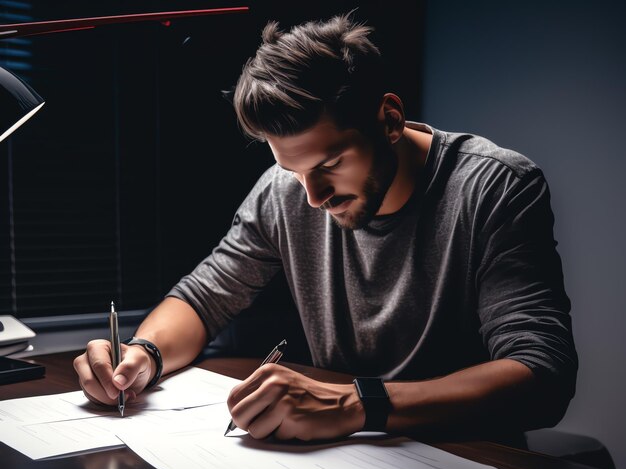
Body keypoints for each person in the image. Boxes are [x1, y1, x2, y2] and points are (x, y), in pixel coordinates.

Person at [74, 13, 577, 442]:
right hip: (343, 462)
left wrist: (354, 405)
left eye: (331, 164)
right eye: (293, 171)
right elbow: (205, 297)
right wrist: (142, 356)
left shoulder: (494, 186)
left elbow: (542, 375)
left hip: (471, 468)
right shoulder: (284, 190)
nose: (313, 197)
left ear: (389, 119)